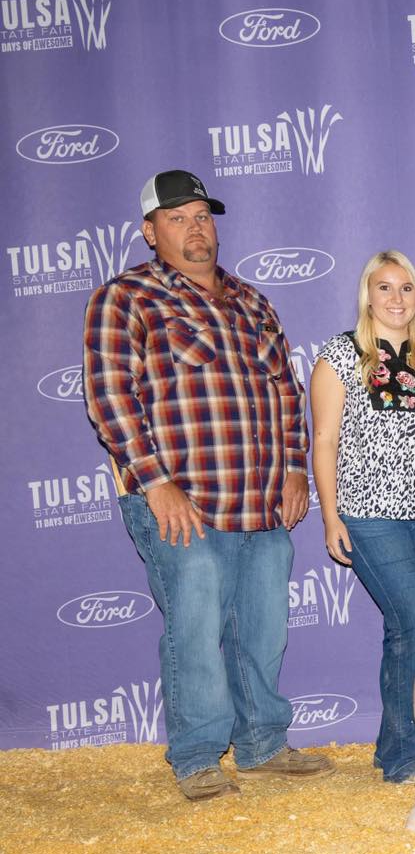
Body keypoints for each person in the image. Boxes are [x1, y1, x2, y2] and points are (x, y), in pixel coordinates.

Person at [82, 170, 333, 801]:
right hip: (180, 499)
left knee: (263, 625)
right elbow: (111, 395)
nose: (196, 228)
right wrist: (154, 481)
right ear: (150, 232)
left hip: (259, 498)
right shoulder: (126, 297)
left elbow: (282, 388)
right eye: (178, 218)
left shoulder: (251, 300)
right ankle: (197, 753)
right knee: (193, 623)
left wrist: (295, 467)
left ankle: (262, 742)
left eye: (203, 216)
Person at [310, 250, 415, 783]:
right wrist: (330, 516)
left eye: (406, 288)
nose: (396, 299)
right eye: (385, 288)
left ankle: (394, 747)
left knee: (406, 631)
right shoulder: (341, 356)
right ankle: (405, 756)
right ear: (368, 295)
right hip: (368, 514)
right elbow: (324, 441)